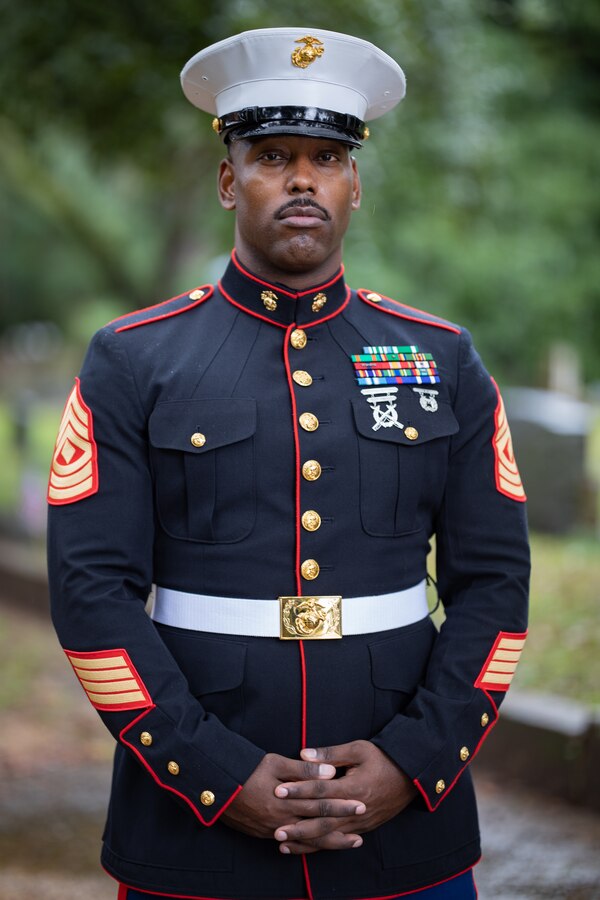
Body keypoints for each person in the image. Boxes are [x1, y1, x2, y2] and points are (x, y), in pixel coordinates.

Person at [47, 27, 530, 900]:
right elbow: (92, 597)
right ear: (230, 180)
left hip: (404, 824)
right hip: (194, 824)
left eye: (327, 156)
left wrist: (414, 762)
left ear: (355, 186)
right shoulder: (133, 359)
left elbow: (494, 584)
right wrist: (215, 775)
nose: (303, 178)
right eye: (273, 155)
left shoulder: (441, 357)